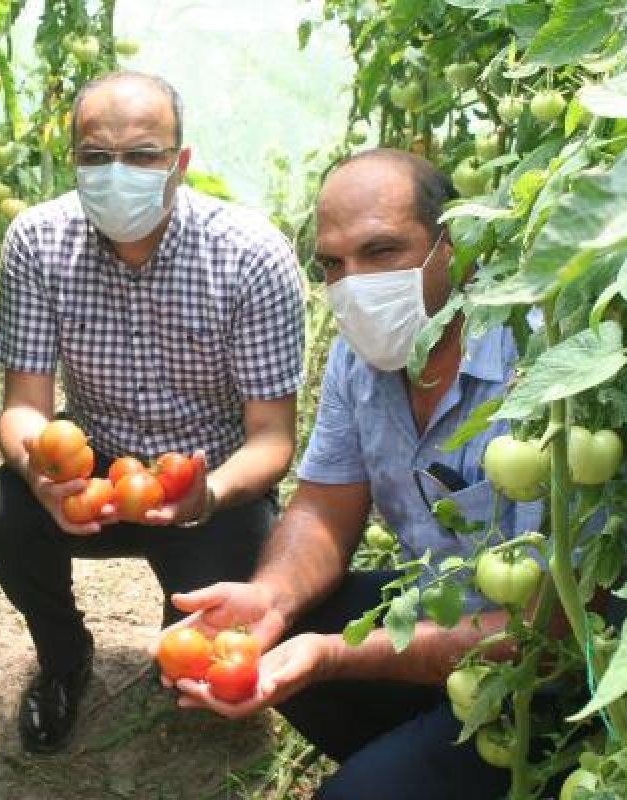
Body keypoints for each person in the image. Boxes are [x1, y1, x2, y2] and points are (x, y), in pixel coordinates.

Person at [164, 149, 543, 800]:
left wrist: (338, 653)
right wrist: (273, 597)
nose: (354, 282)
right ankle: (423, 763)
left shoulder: (538, 368)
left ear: (455, 247)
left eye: (381, 251)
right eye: (333, 264)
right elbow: (321, 510)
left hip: (558, 680)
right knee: (294, 624)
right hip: (450, 621)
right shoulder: (359, 361)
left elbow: (545, 630)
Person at [0, 71, 305, 754]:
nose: (116, 173)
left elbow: (271, 440)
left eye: (144, 154)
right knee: (2, 509)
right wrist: (45, 480)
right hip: (93, 476)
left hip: (213, 485)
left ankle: (179, 632)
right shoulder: (38, 243)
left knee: (195, 669)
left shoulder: (250, 256)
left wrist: (205, 494)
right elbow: (23, 410)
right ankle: (64, 657)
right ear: (72, 161)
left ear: (180, 164)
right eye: (95, 156)